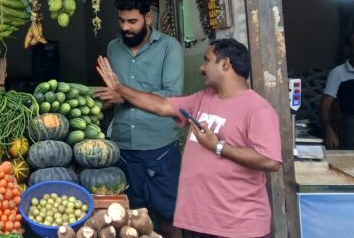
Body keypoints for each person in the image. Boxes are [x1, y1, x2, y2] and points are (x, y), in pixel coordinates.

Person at [96, 39, 282, 238]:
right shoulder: (202, 98)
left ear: (225, 64)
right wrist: (120, 88)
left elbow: (270, 160)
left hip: (237, 225)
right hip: (198, 221)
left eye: (207, 60)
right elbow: (161, 106)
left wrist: (218, 147)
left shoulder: (257, 108)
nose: (202, 67)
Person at [93, 0, 184, 238]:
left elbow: (171, 97)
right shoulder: (114, 48)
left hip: (159, 150)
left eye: (132, 21)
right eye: (122, 21)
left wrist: (123, 94)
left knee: (169, 217)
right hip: (122, 149)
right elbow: (113, 92)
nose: (126, 27)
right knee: (126, 219)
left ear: (148, 17)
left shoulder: (169, 48)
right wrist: (104, 101)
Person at [320, 31, 354, 149]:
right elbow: (325, 105)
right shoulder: (338, 73)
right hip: (349, 125)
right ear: (349, 49)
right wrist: (329, 131)